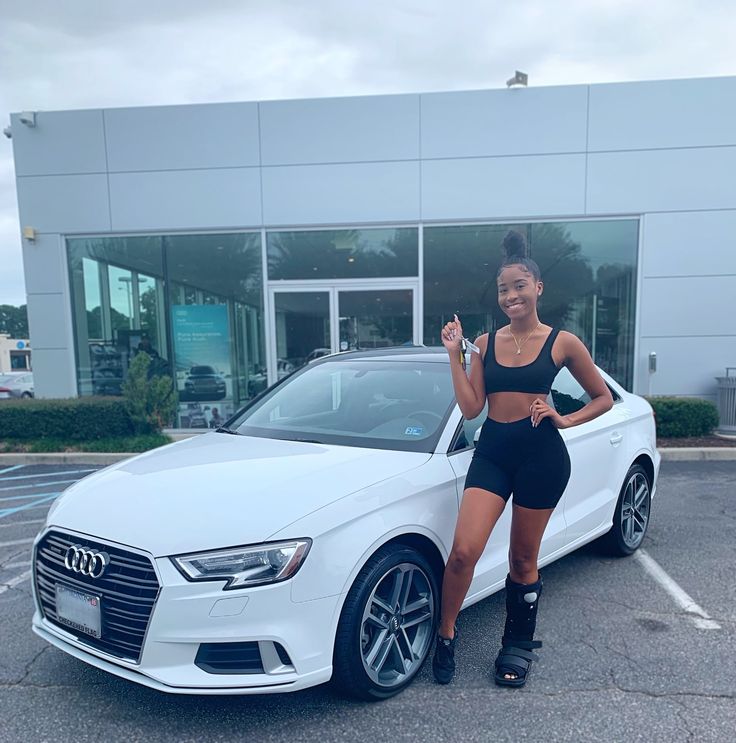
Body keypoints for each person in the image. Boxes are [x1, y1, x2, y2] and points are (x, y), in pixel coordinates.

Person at [432, 229, 613, 687]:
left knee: (522, 559)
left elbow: (602, 398)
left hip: (541, 456)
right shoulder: (486, 343)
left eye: (518, 286)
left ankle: (516, 646)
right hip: (493, 451)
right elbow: (473, 408)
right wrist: (455, 356)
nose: (510, 296)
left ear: (537, 288)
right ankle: (445, 634)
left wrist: (564, 419)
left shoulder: (563, 342)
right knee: (463, 553)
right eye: (503, 289)